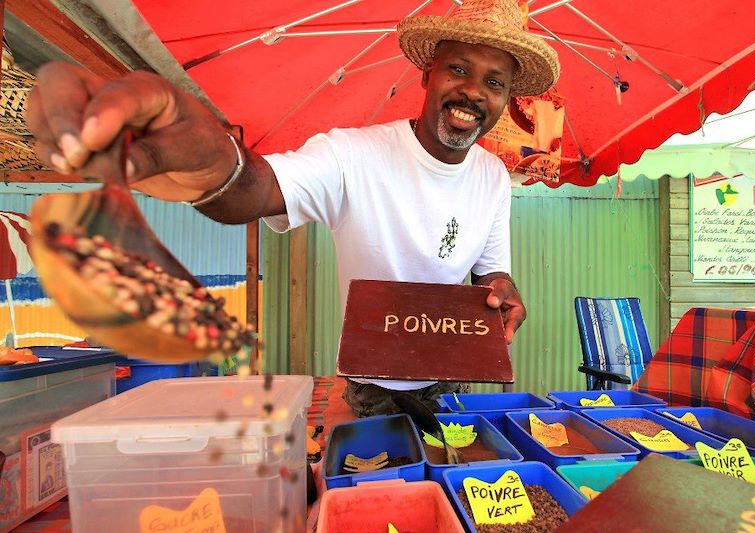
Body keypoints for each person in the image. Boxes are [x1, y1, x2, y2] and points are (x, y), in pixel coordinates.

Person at [25, 0, 559, 416]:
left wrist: (503, 295)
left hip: (451, 376)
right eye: (458, 69)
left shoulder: (491, 176)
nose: (472, 92)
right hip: (370, 384)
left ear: (507, 98)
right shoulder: (354, 154)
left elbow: (492, 273)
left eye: (494, 82)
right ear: (427, 75)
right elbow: (259, 188)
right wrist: (218, 168)